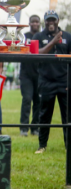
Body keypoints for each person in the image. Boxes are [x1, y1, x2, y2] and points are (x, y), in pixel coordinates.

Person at [32, 10, 71, 154]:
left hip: (64, 82)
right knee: (44, 115)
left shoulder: (68, 36)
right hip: (46, 82)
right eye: (48, 20)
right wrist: (53, 42)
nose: (50, 22)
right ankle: (42, 145)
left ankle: (69, 146)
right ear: (45, 21)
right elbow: (36, 54)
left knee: (67, 117)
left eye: (53, 20)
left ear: (58, 21)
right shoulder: (39, 36)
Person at [20, 14, 41, 137]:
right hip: (26, 74)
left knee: (38, 101)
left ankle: (35, 128)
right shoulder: (24, 37)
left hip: (40, 74)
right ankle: (24, 128)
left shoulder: (42, 37)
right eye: (32, 22)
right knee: (27, 99)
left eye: (37, 22)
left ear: (39, 23)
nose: (35, 24)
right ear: (29, 23)